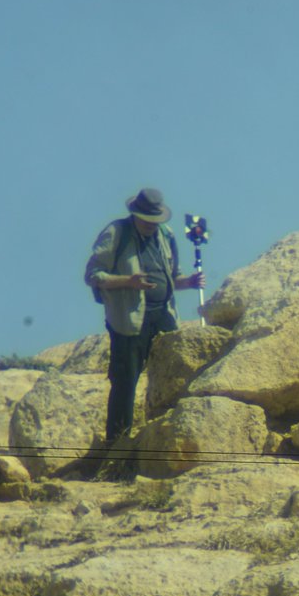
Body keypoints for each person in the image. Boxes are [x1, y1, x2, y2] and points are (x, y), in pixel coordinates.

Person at [84, 187, 206, 442]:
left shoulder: (165, 234)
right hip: (129, 321)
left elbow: (173, 277)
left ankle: (168, 434)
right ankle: (118, 444)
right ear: (136, 214)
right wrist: (128, 281)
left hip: (164, 315)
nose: (152, 225)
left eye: (155, 220)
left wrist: (189, 282)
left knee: (173, 373)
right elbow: (93, 275)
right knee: (125, 382)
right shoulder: (116, 233)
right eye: (147, 220)